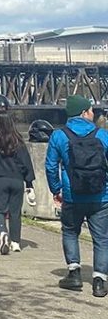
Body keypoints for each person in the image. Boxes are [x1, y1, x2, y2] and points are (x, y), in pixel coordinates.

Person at [45, 94, 108, 295]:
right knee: (102, 238)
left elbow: (51, 166)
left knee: (71, 232)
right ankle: (99, 281)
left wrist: (56, 189)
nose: (93, 114)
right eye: (91, 110)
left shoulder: (59, 135)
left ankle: (74, 274)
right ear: (84, 112)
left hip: (72, 195)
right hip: (101, 196)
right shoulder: (102, 135)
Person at [0, 114, 36, 255]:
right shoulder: (17, 140)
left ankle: (2, 231)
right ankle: (16, 242)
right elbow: (26, 162)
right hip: (16, 180)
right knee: (15, 212)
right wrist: (29, 183)